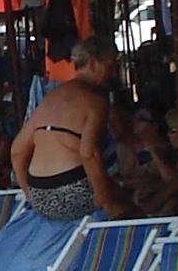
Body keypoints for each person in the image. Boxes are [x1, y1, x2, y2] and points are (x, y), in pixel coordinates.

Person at [11, 35, 127, 220]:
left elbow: (17, 151)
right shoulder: (96, 101)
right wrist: (108, 203)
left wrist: (29, 195)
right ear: (93, 63)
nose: (113, 73)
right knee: (129, 206)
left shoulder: (50, 99)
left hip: (39, 196)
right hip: (72, 191)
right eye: (110, 66)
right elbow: (89, 154)